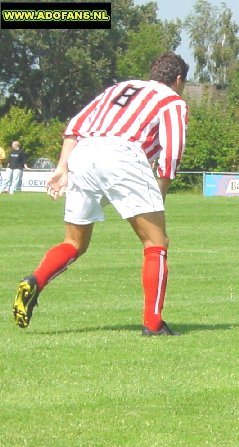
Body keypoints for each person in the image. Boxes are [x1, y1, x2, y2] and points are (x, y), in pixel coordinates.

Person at [12, 52, 189, 336]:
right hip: (123, 154)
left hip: (85, 152)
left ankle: (35, 280)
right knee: (155, 241)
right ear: (178, 79)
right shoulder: (172, 100)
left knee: (74, 242)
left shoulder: (118, 88)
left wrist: (62, 167)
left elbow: (75, 126)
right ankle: (153, 325)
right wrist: (161, 192)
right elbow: (173, 150)